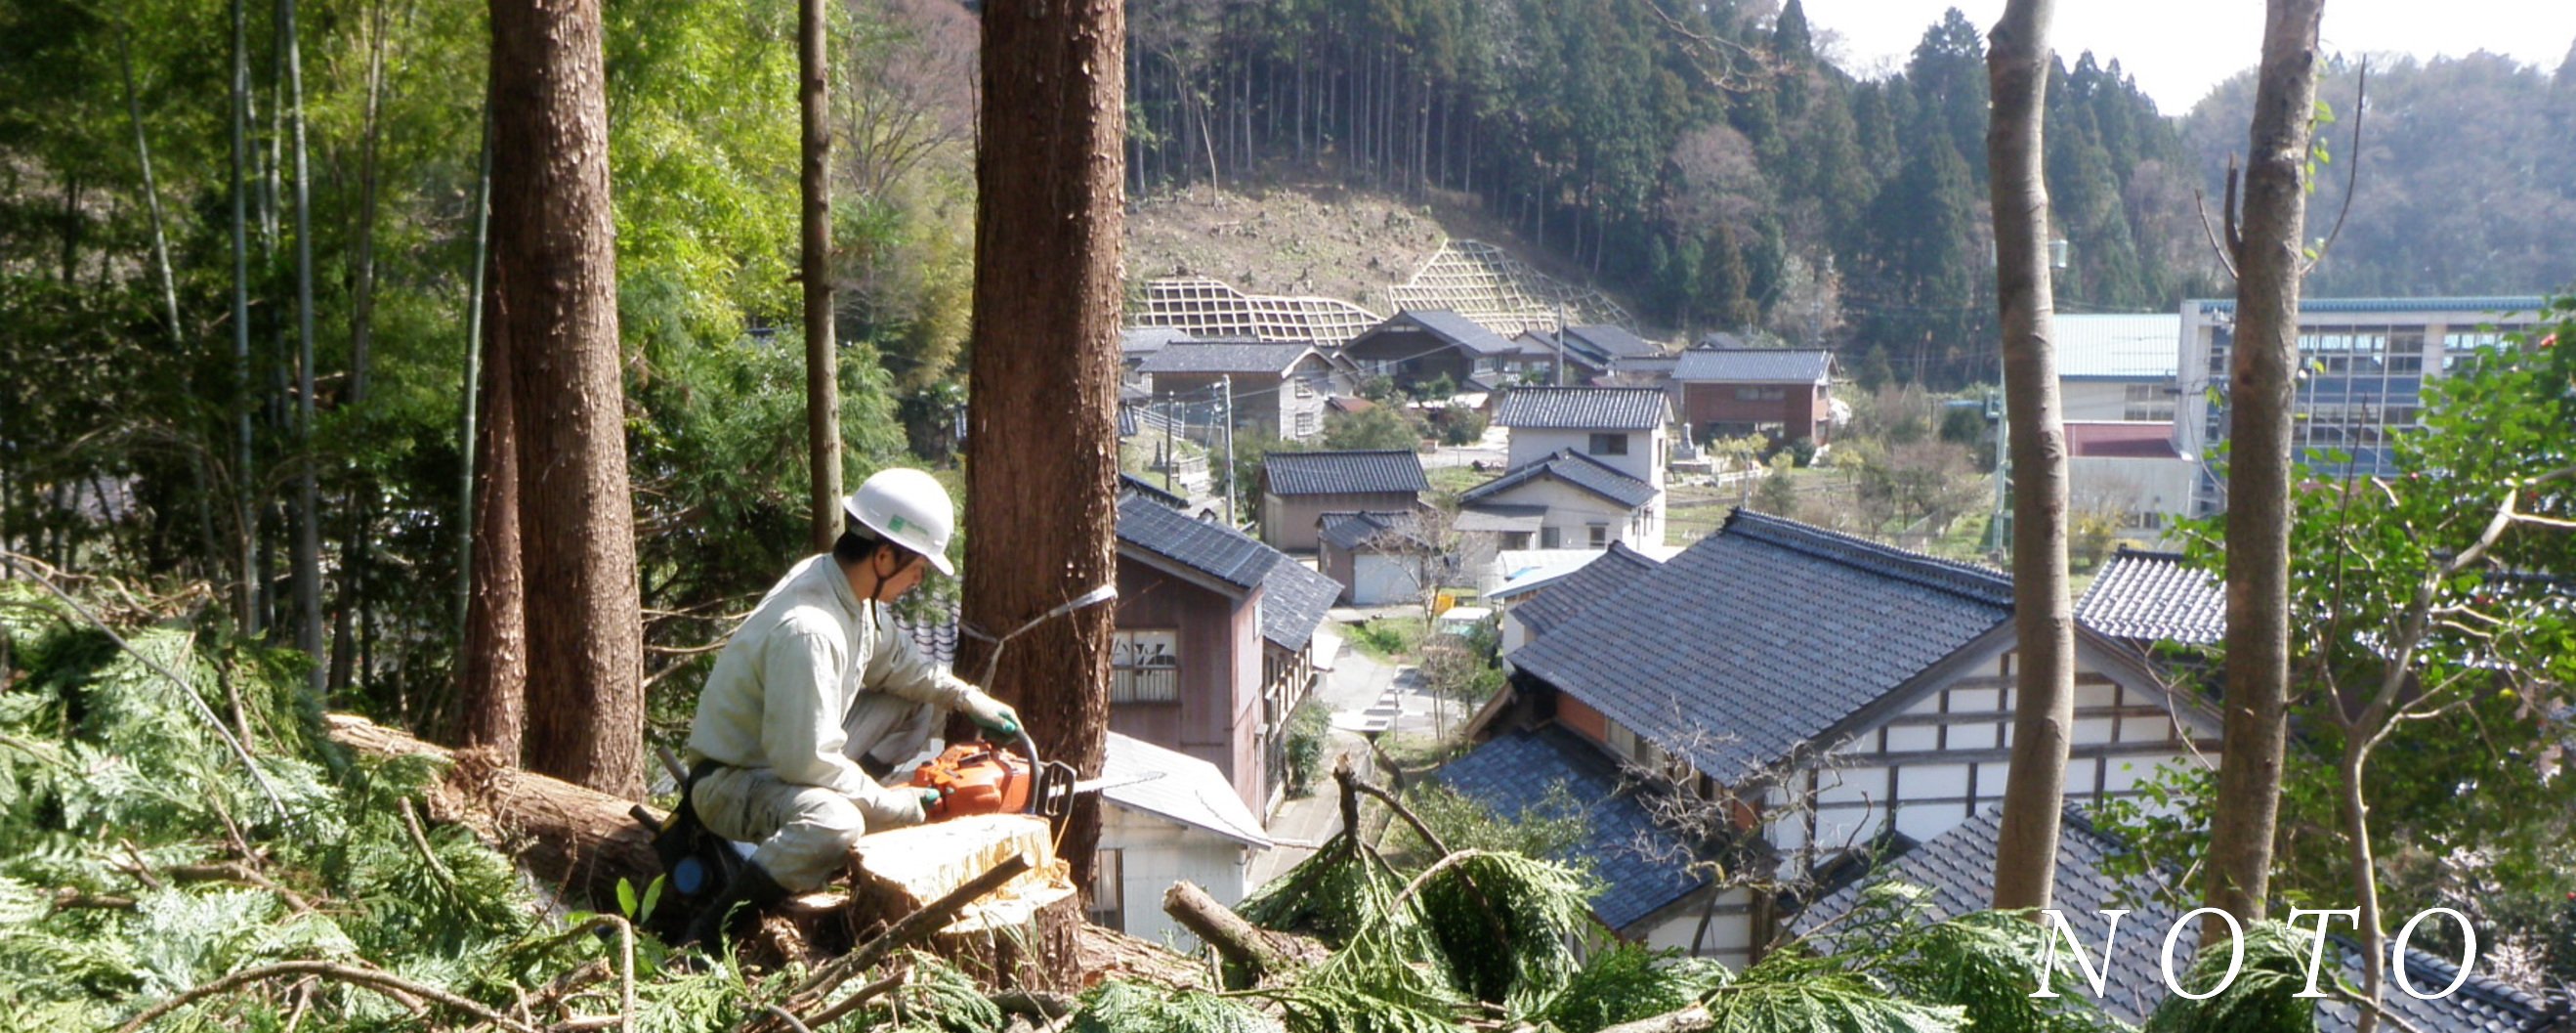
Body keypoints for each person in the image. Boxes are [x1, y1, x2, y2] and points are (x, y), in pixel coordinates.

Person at [676, 467, 1021, 947]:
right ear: (884, 556)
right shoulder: (810, 631)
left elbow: (900, 666)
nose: (918, 580)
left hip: (787, 757)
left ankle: (842, 813)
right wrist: (896, 808)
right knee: (835, 822)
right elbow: (804, 760)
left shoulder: (850, 593)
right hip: (733, 780)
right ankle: (713, 931)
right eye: (917, 567)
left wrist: (969, 698)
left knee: (914, 706)